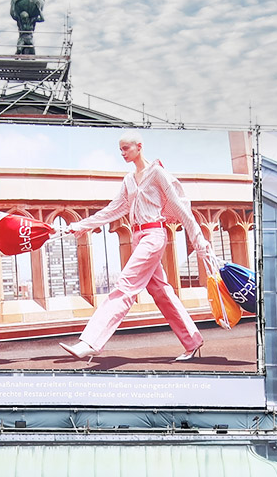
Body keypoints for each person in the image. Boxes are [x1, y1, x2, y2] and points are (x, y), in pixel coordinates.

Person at [59, 132, 215, 362]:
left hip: (154, 235)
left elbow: (180, 207)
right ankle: (192, 341)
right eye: (120, 149)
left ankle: (90, 341)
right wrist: (81, 225)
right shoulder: (128, 180)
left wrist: (199, 239)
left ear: (139, 147)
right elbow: (112, 210)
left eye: (125, 148)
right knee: (161, 291)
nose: (122, 153)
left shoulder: (157, 173)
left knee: (126, 285)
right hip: (138, 237)